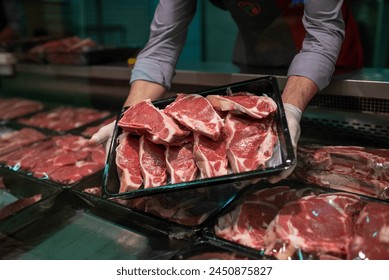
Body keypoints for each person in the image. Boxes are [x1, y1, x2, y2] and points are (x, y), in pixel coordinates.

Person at [89, 0, 363, 183]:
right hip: (259, 51)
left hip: (328, 64)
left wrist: (289, 110)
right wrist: (131, 116)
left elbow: (323, 33)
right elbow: (162, 45)